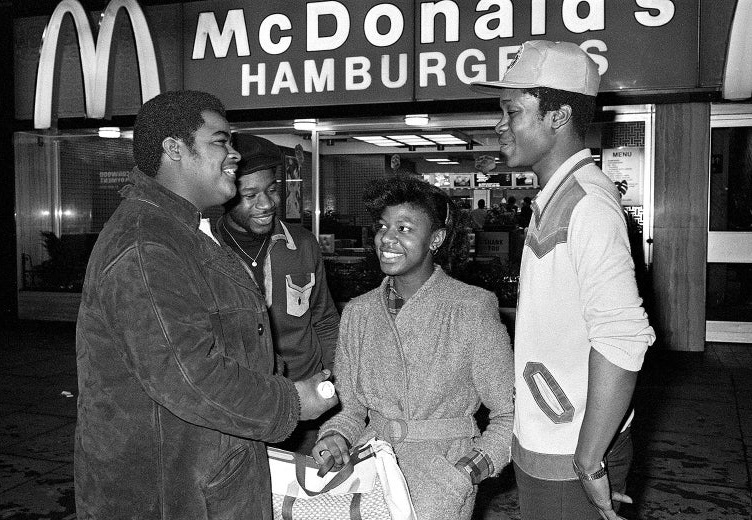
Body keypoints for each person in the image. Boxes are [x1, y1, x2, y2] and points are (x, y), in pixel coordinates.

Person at [74, 90, 338, 519]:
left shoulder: (179, 231)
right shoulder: (147, 244)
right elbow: (187, 375)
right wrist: (289, 401)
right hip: (168, 494)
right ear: (174, 149)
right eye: (220, 141)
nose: (234, 153)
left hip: (203, 477)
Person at [472, 41, 656, 520]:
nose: (499, 125)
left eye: (512, 111)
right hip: (546, 441)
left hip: (570, 454)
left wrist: (589, 461)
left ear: (558, 117)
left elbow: (621, 337)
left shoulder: (588, 205)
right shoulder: (556, 199)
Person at [312, 175, 514, 520]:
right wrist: (334, 438)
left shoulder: (470, 307)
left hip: (442, 481)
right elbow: (348, 410)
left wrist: (465, 474)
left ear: (436, 238)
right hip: (370, 471)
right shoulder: (359, 312)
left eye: (404, 228)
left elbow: (510, 416)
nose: (386, 238)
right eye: (382, 226)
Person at [215, 133, 340, 453]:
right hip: (239, 412)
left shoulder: (303, 245)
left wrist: (337, 393)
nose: (267, 203)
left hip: (309, 413)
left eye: (271, 190)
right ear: (227, 194)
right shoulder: (205, 251)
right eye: (250, 194)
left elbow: (324, 321)